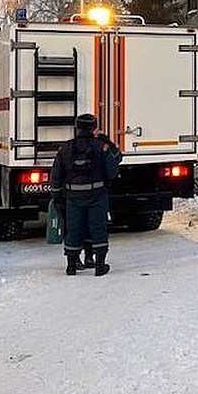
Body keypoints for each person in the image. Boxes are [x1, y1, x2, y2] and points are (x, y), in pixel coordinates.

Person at [49, 113, 122, 276]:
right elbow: (112, 169)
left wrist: (56, 195)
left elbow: (56, 174)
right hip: (97, 195)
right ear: (94, 128)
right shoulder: (101, 146)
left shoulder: (65, 148)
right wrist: (108, 143)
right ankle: (99, 265)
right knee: (98, 227)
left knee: (74, 228)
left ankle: (71, 266)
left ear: (77, 127)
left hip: (73, 196)